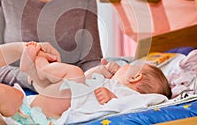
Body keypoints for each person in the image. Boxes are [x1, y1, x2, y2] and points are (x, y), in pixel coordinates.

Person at [15, 42, 172, 124]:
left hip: (64, 108)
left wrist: (112, 98)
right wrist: (100, 71)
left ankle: (40, 67)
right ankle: (33, 71)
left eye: (127, 66)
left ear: (134, 77)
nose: (120, 66)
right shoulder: (111, 82)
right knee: (67, 80)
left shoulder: (129, 94)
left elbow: (127, 105)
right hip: (58, 105)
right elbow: (87, 79)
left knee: (74, 74)